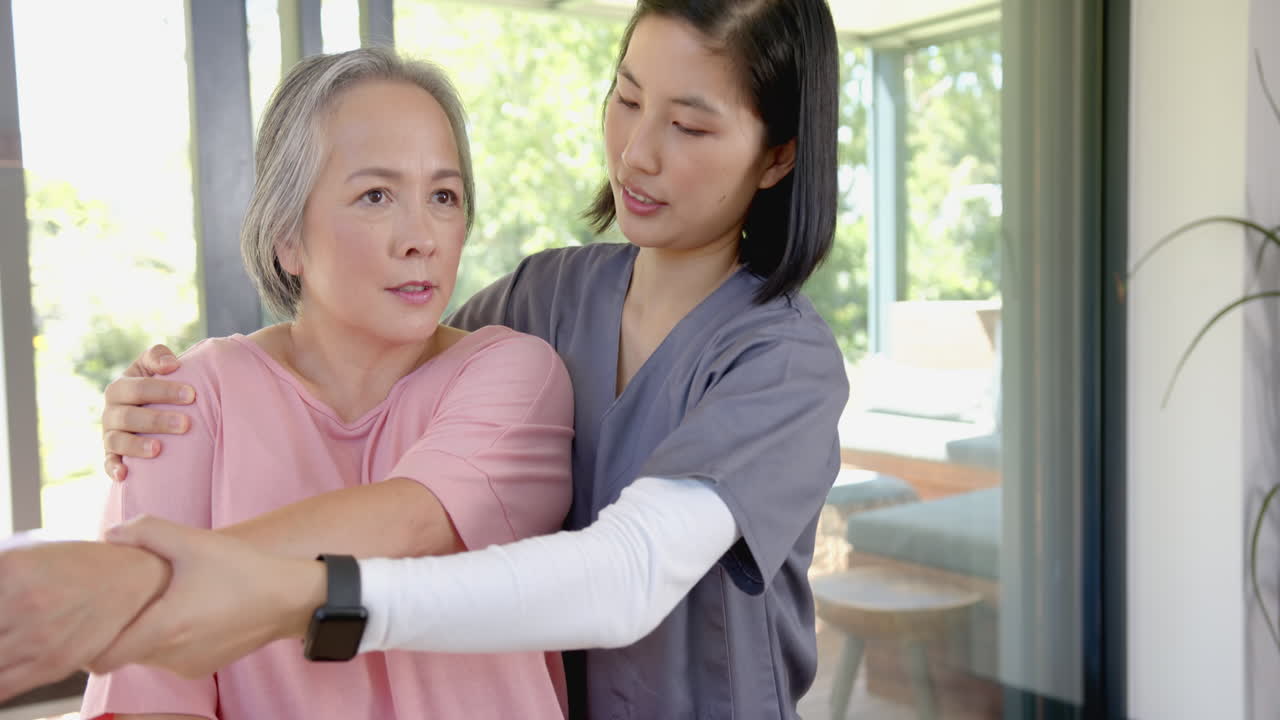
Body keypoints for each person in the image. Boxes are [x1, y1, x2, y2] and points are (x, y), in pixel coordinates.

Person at [0, 1, 845, 717]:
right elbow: (380, 345)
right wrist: (151, 402)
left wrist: (236, 582)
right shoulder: (548, 297)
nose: (635, 154)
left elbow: (622, 576)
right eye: (625, 99)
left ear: (778, 156)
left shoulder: (782, 363)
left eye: (690, 124)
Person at [5, 49, 576, 720]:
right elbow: (152, 701)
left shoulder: (514, 374)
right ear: (287, 239)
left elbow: (412, 520)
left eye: (443, 196)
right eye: (376, 195)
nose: (421, 236)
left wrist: (137, 577)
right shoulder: (185, 401)